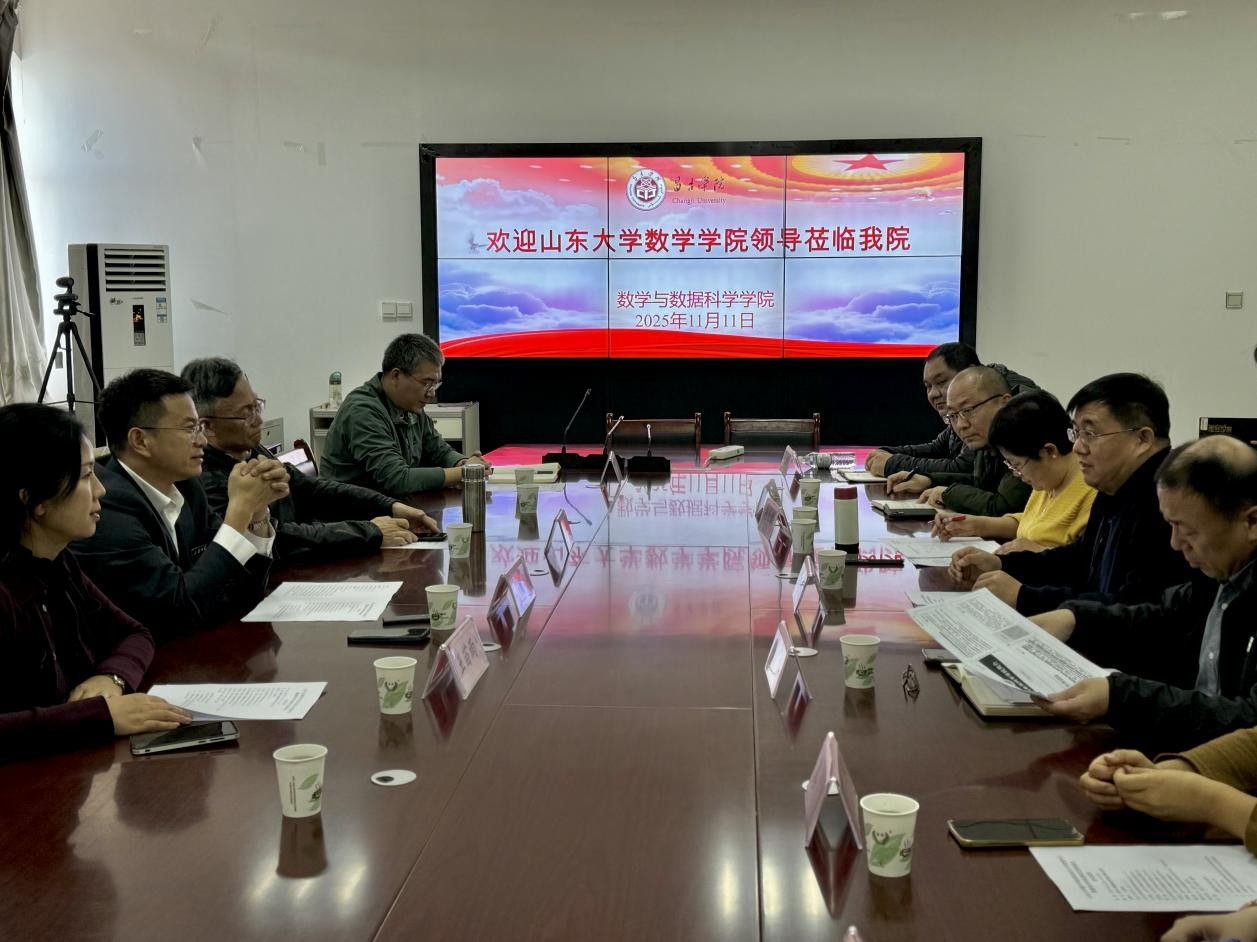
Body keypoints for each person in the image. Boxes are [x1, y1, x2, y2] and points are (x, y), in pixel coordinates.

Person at [1030, 436, 1257, 751]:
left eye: (1188, 530)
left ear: (1251, 521)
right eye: (1171, 526)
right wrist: (1074, 620)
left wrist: (1121, 697)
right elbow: (1162, 617)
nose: (1175, 543)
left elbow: (1250, 722)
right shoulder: (1218, 573)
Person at [0, 403, 191, 760]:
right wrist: (99, 716)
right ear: (35, 500)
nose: (101, 490)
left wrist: (112, 678)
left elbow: (136, 633)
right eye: (87, 476)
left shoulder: (58, 562)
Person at [948, 372, 1195, 613]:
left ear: (1142, 439)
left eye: (1090, 434)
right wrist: (1001, 563)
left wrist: (1025, 596)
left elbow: (1135, 607)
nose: (1077, 447)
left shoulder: (1167, 502)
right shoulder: (1114, 487)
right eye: (1075, 433)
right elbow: (1080, 559)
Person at [72, 369, 289, 640]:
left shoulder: (187, 486)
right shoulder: (107, 509)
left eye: (199, 428)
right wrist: (239, 512)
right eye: (189, 429)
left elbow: (242, 589)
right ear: (140, 440)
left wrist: (256, 513)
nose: (202, 440)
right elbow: (178, 610)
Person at [181, 357, 440, 562]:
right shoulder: (203, 478)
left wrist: (389, 506)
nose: (258, 419)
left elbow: (313, 489)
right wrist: (370, 531)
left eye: (257, 406)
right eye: (246, 413)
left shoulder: (250, 449)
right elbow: (275, 539)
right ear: (207, 426)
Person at [320, 333, 491, 496]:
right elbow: (396, 479)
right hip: (350, 512)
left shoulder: (410, 406)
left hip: (389, 505)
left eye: (435, 385)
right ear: (396, 376)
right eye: (426, 383)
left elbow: (439, 450)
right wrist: (465, 472)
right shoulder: (362, 411)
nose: (432, 393)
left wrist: (462, 462)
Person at [933, 389, 1095, 552]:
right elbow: (1032, 523)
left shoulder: (1092, 494)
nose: (1016, 474)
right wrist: (975, 525)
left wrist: (1038, 551)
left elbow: (1088, 561)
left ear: (1048, 451)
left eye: (1016, 465)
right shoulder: (1050, 476)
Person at [865, 342, 1036, 477]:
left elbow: (965, 468)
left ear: (968, 373)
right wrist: (886, 452)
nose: (933, 394)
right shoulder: (964, 405)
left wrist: (892, 464)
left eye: (941, 382)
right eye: (928, 386)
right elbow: (939, 448)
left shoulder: (1014, 407)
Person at [883, 366, 1032, 516]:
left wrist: (947, 494)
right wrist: (929, 480)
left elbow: (1002, 507)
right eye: (953, 416)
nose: (961, 425)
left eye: (968, 410)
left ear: (1004, 403)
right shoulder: (987, 438)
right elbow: (981, 483)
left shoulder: (1027, 432)